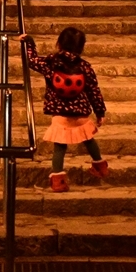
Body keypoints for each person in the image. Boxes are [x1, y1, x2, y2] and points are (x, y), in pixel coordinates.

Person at [20, 26, 109, 193]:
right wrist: (100, 111)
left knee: (60, 146)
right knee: (89, 139)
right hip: (81, 111)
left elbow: (32, 61)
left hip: (60, 112)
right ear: (81, 47)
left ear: (59, 43)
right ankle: (100, 166)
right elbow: (93, 90)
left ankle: (58, 181)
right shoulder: (85, 66)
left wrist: (29, 44)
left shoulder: (52, 62)